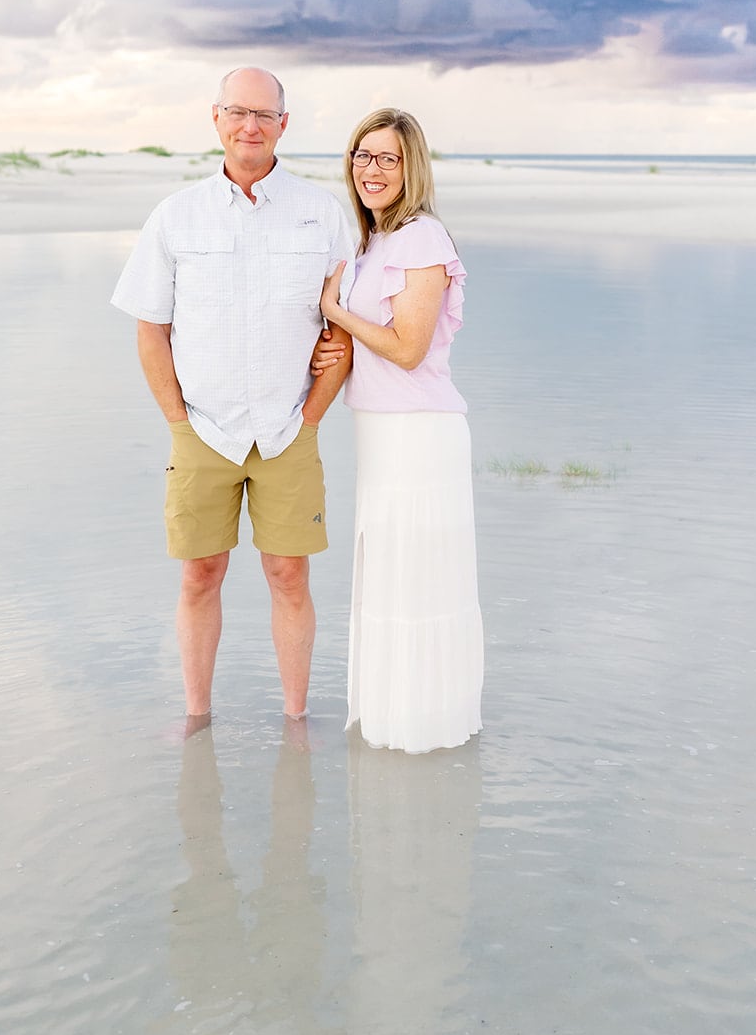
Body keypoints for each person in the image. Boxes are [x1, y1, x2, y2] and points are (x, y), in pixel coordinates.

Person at [111, 67, 354, 722]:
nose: (251, 125)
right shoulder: (176, 215)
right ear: (216, 118)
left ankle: (296, 719)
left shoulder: (320, 213)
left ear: (283, 124)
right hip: (201, 431)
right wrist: (177, 423)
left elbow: (344, 330)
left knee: (289, 578)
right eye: (237, 112)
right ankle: (196, 716)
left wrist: (310, 418)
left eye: (264, 114)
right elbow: (150, 329)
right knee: (198, 577)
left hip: (287, 431)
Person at [317, 107, 483, 752]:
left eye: (388, 158)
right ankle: (391, 724)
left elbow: (409, 348)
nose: (371, 169)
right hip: (382, 432)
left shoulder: (421, 238)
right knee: (389, 574)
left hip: (420, 432)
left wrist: (334, 310)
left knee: (418, 581)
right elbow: (362, 342)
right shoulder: (372, 241)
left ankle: (423, 731)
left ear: (411, 168)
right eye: (362, 155)